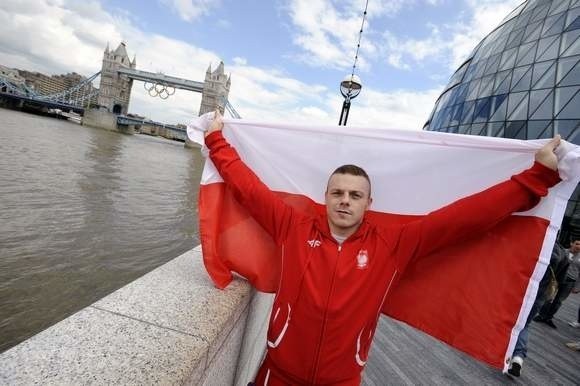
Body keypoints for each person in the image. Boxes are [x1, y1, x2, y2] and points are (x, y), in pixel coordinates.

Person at [205, 112, 562, 385]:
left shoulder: (393, 245)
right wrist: (216, 140)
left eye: (355, 195)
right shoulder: (291, 228)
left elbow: (463, 218)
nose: (345, 201)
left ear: (368, 202)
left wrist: (535, 178)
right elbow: (248, 188)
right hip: (278, 375)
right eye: (338, 193)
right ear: (326, 197)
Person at [508, 241, 569, 377]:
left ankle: (509, 352)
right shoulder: (563, 253)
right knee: (525, 324)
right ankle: (518, 357)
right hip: (540, 296)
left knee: (512, 319)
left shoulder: (539, 241)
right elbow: (561, 280)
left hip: (522, 289)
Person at [533, 239, 580, 328]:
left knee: (559, 301)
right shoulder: (562, 252)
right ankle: (541, 315)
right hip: (557, 279)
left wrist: (577, 287)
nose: (578, 246)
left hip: (570, 281)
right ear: (571, 243)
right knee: (549, 297)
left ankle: (549, 317)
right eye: (577, 244)